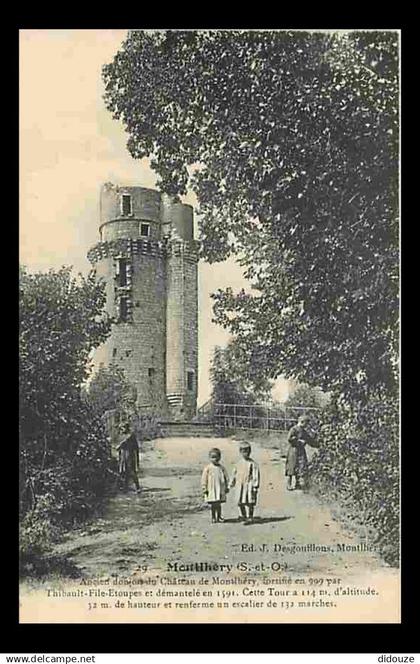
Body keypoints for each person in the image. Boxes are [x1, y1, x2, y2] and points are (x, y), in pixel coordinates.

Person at [230, 442, 260, 523]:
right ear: (240, 452)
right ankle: (243, 515)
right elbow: (234, 473)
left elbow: (255, 475)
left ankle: (250, 516)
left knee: (250, 501)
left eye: (247, 451)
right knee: (240, 501)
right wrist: (231, 483)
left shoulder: (253, 464)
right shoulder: (238, 463)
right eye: (243, 451)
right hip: (240, 485)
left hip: (249, 485)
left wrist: (255, 485)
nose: (245, 453)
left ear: (250, 452)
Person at [285, 415, 316, 490]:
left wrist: (316, 441)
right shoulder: (294, 429)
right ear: (302, 422)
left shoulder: (303, 431)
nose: (306, 426)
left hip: (301, 451)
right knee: (291, 466)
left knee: (301, 466)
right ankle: (288, 484)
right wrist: (298, 441)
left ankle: (297, 483)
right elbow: (289, 438)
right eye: (306, 424)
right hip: (293, 450)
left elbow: (309, 440)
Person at [201, 448, 230, 523]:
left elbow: (226, 477)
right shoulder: (208, 468)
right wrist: (204, 487)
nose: (215, 459)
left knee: (219, 504)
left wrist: (227, 486)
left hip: (220, 488)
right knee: (213, 504)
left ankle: (219, 516)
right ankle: (213, 517)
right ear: (209, 458)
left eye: (216, 457)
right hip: (211, 488)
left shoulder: (221, 468)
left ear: (219, 457)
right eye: (213, 457)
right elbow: (204, 478)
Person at [116, 423, 141, 493]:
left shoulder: (130, 435)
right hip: (123, 455)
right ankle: (125, 487)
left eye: (122, 428)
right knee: (125, 471)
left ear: (126, 428)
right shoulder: (122, 435)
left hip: (130, 455)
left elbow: (124, 443)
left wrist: (119, 446)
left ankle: (137, 487)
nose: (121, 430)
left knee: (131, 471)